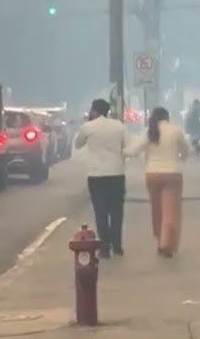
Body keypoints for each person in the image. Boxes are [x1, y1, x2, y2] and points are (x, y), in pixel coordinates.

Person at [128, 107, 189, 257]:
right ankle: (166, 244)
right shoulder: (175, 131)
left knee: (156, 209)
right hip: (172, 174)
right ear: (167, 117)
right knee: (170, 211)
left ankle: (159, 239)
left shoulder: (149, 131)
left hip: (152, 174)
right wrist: (181, 158)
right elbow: (185, 150)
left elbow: (133, 151)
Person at [73, 97, 127, 258]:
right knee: (117, 211)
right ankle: (117, 245)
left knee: (101, 211)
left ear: (94, 111)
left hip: (96, 175)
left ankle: (104, 247)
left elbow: (78, 144)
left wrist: (88, 124)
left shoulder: (88, 127)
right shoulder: (119, 126)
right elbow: (126, 145)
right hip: (116, 173)